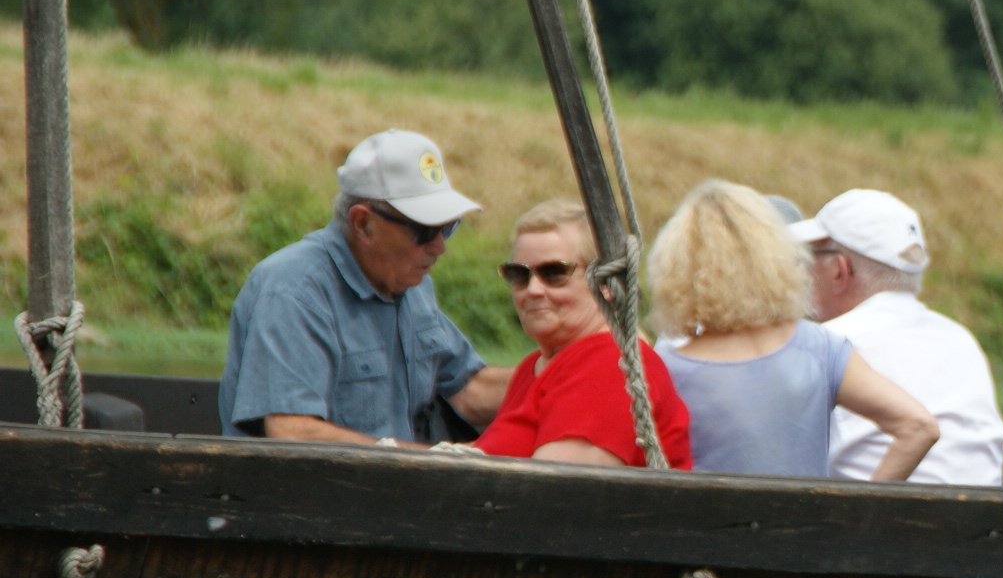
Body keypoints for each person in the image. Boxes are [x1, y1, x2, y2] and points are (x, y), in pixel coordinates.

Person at [219, 129, 511, 444]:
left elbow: (469, 390)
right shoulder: (294, 291)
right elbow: (292, 432)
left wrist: (551, 376)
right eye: (424, 231)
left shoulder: (411, 283)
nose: (439, 246)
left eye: (447, 227)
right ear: (363, 223)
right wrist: (434, 461)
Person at [650, 180, 939, 480]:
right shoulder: (819, 348)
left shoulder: (668, 369)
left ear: (677, 270)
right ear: (779, 258)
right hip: (807, 513)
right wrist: (861, 506)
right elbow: (919, 427)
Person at [792, 188, 1003, 486]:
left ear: (840, 271)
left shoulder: (824, 343)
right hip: (985, 513)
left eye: (809, 257)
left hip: (879, 513)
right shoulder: (960, 338)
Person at [473, 198, 693, 469]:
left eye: (554, 272)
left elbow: (559, 487)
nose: (533, 290)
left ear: (605, 283)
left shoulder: (608, 364)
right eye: (518, 274)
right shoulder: (534, 367)